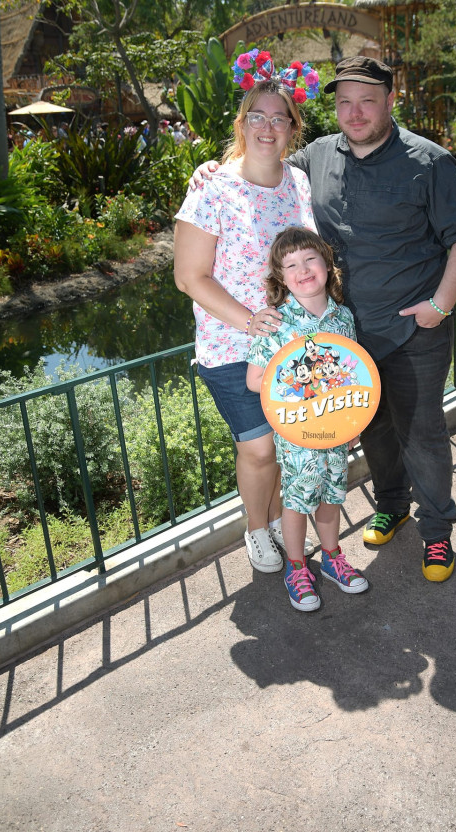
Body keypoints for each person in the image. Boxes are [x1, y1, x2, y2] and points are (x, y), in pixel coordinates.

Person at [191, 55, 456, 583]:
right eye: (344, 101)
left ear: (390, 102)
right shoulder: (317, 158)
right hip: (345, 336)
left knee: (422, 433)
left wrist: (439, 307)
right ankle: (391, 505)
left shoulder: (430, 161)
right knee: (370, 430)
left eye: (367, 100)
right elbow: (261, 153)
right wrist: (214, 165)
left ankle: (437, 533)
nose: (354, 112)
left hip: (414, 329)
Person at [173, 52, 321, 575]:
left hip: (291, 345)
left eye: (278, 118)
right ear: (241, 124)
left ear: (292, 129)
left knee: (285, 443)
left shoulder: (298, 185)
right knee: (258, 448)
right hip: (231, 346)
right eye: (256, 116)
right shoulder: (212, 186)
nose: (267, 126)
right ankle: (256, 529)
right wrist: (250, 320)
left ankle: (279, 516)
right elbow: (190, 276)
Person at [246, 226, 368, 612]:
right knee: (297, 502)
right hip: (297, 433)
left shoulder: (343, 317)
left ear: (327, 265)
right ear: (281, 278)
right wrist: (292, 377)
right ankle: (297, 568)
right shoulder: (275, 323)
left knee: (332, 495)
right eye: (291, 264)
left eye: (311, 258)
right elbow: (254, 380)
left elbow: (355, 375)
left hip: (336, 429)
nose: (303, 269)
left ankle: (332, 558)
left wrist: (355, 424)